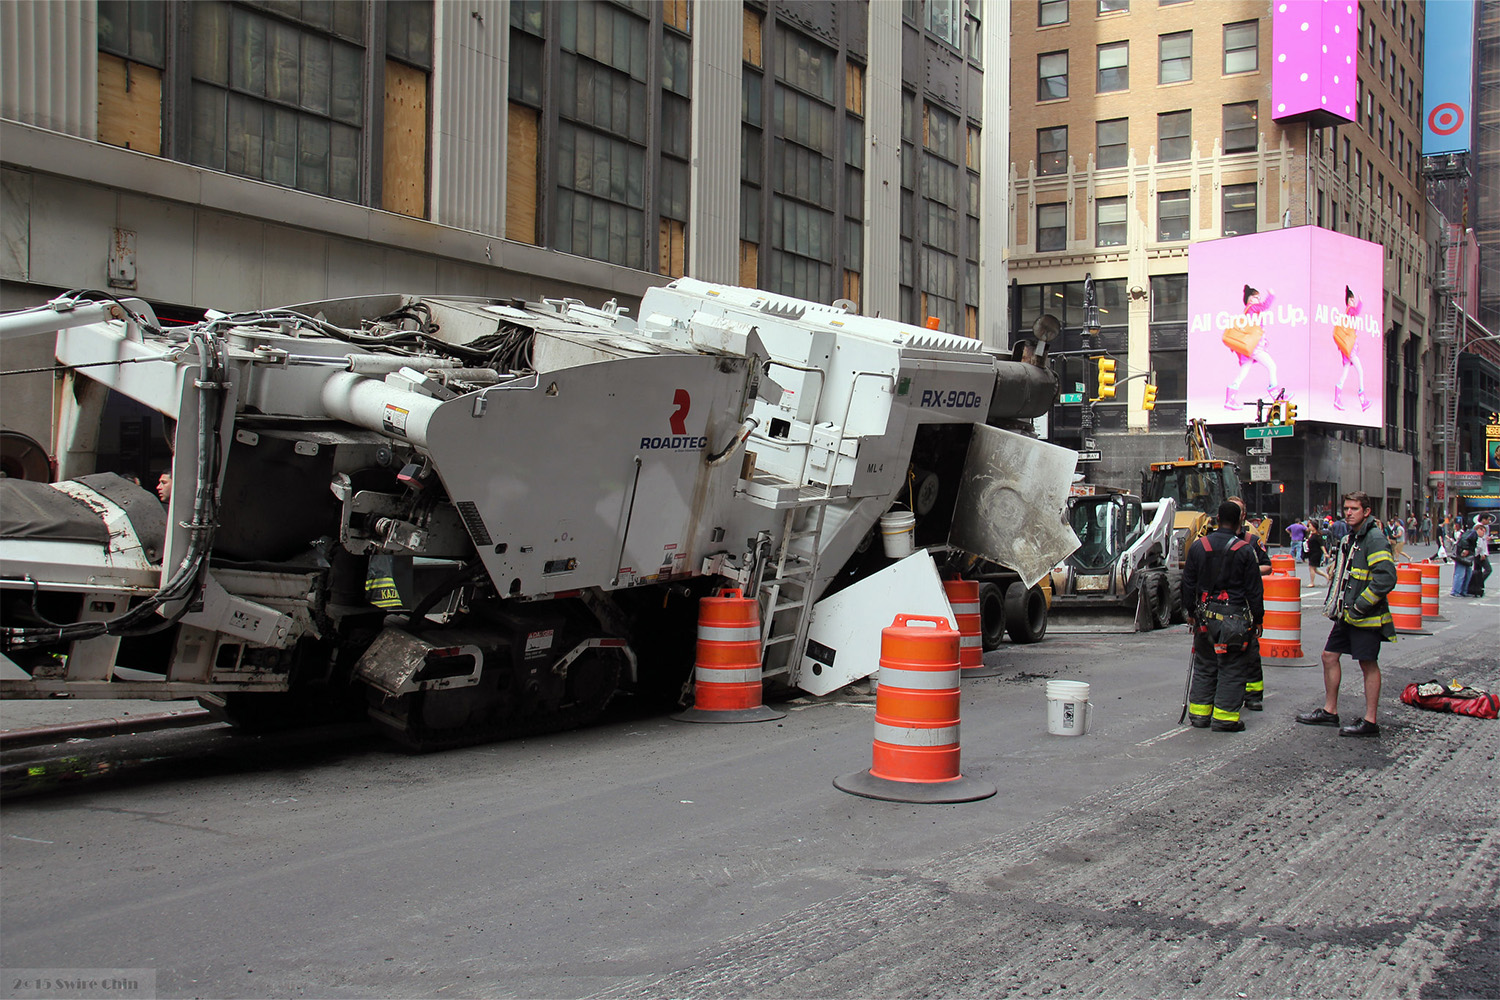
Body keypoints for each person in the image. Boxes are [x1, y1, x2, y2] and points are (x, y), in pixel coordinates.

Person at [1296, 491, 1396, 737]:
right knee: (1329, 656)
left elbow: (1386, 579)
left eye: (1354, 509)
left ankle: (1370, 721)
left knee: (1368, 664)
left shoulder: (1374, 538)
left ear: (1367, 512)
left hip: (1365, 616)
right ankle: (1330, 712)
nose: (1349, 513)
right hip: (1346, 615)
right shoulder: (1352, 538)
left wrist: (1361, 605)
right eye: (1347, 508)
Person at [1181, 501, 1265, 732]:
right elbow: (1254, 590)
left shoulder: (1198, 547)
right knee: (1232, 666)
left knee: (1206, 664)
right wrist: (1258, 619)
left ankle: (1199, 715)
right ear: (1240, 521)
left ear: (1216, 518)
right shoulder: (1244, 550)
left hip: (1204, 619)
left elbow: (1188, 585)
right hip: (1234, 620)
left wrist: (1191, 614)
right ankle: (1225, 719)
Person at [1227, 497, 1271, 710]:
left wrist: (1248, 569)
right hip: (1221, 605)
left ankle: (1253, 694)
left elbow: (1267, 566)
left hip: (1244, 604)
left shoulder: (1251, 541)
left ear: (1243, 515)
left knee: (1250, 651)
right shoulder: (1211, 539)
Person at [1332, 285, 1373, 412]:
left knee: (1345, 372)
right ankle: (1362, 397)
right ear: (1348, 301)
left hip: (1348, 348)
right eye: (1352, 300)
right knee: (1360, 370)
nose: (1353, 302)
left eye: (1354, 300)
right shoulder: (1350, 310)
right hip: (1350, 349)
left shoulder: (1348, 315)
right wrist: (1361, 302)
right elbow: (1356, 311)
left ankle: (1337, 398)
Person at [1451, 521, 1480, 598]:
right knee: (1461, 574)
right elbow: (1464, 539)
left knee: (1468, 573)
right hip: (1463, 555)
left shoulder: (1473, 533)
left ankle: (1463, 591)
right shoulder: (1473, 533)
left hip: (1468, 556)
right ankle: (1456, 591)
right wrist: (1466, 549)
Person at [1468, 523, 1491, 597]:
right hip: (1480, 556)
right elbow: (1478, 547)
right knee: (1488, 569)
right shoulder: (1477, 538)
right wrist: (1482, 554)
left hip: (1480, 555)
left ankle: (1476, 587)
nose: (1483, 532)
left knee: (1477, 571)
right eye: (1482, 530)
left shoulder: (1482, 537)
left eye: (1484, 530)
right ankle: (1477, 583)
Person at [1305, 521, 1327, 585]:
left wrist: (1325, 553)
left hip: (1316, 553)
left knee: (1311, 567)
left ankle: (1312, 582)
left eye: (1310, 526)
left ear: (1314, 527)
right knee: (1314, 569)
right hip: (1311, 552)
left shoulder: (1317, 535)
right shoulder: (1311, 534)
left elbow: (1321, 545)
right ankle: (1326, 576)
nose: (1309, 527)